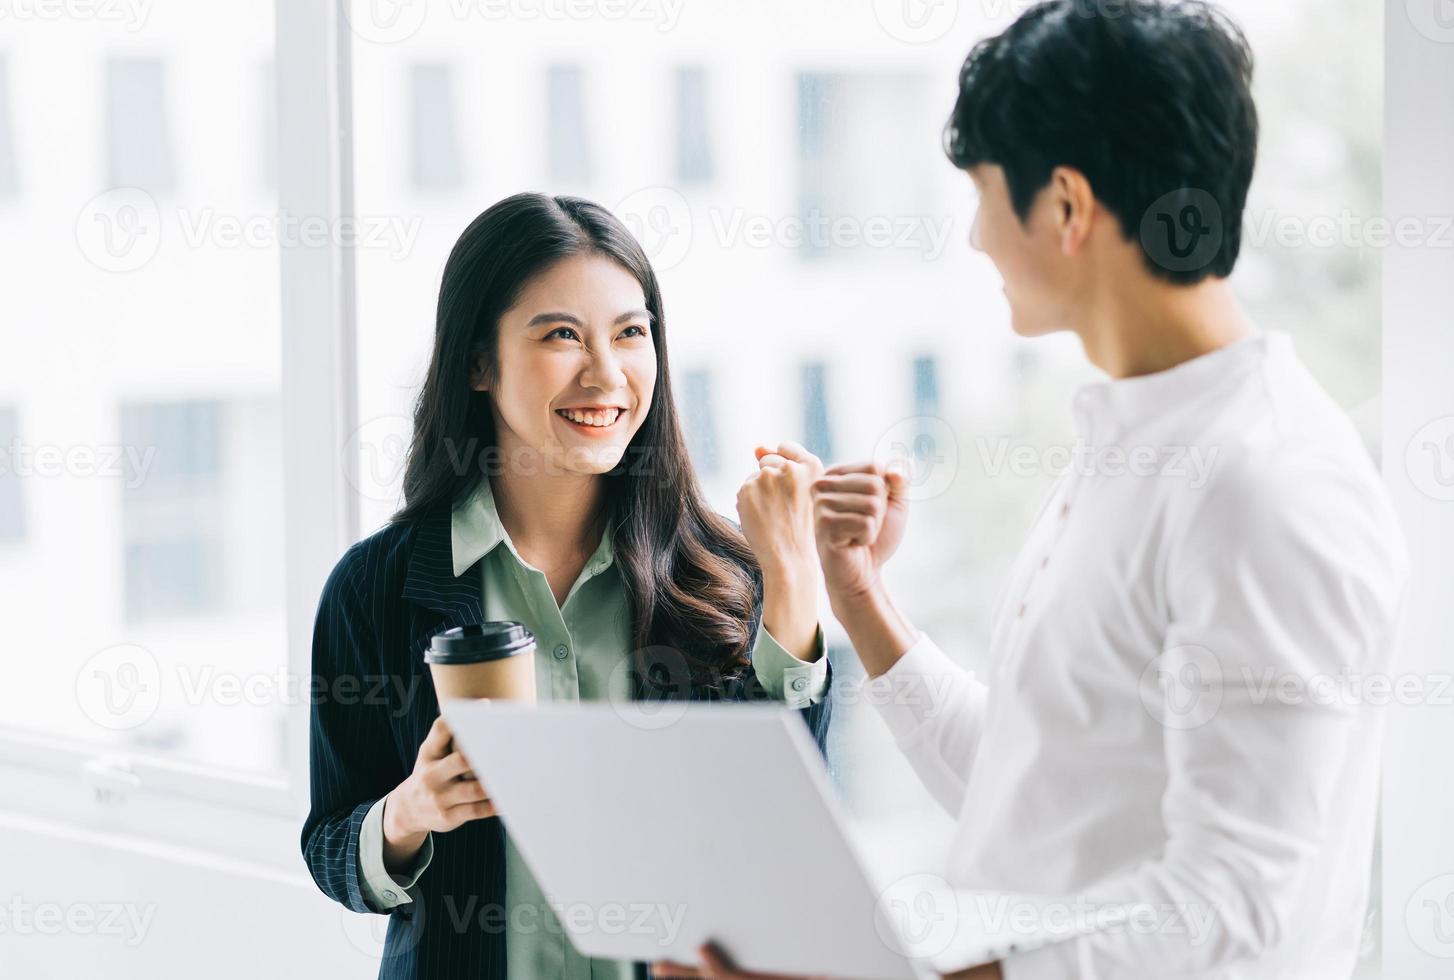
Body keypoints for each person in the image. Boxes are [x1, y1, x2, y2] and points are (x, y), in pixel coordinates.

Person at [658, 1, 1407, 978]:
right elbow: (1041, 789)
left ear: (1064, 207)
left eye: (983, 195)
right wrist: (865, 604)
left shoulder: (1262, 482)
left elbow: (1234, 908)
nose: (974, 239)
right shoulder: (1139, 445)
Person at [301, 192, 834, 979]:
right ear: (479, 362)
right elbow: (330, 848)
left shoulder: (725, 574)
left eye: (631, 333)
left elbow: (782, 827)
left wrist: (795, 579)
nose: (606, 374)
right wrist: (409, 812)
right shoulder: (376, 588)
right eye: (561, 335)